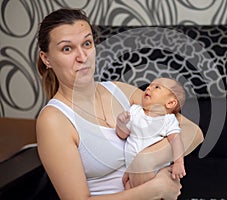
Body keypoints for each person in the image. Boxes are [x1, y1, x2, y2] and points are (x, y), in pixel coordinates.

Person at [36, 8, 203, 200]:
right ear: (46, 58)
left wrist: (145, 160)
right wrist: (155, 189)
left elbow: (193, 131)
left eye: (87, 43)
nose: (83, 57)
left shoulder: (120, 91)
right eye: (67, 48)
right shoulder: (54, 120)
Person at [116, 77, 186, 187]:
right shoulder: (135, 111)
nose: (148, 88)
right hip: (131, 171)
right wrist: (121, 124)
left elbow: (176, 141)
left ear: (170, 103)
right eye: (149, 85)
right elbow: (123, 135)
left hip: (156, 172)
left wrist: (179, 162)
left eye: (157, 87)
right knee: (128, 188)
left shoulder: (168, 120)